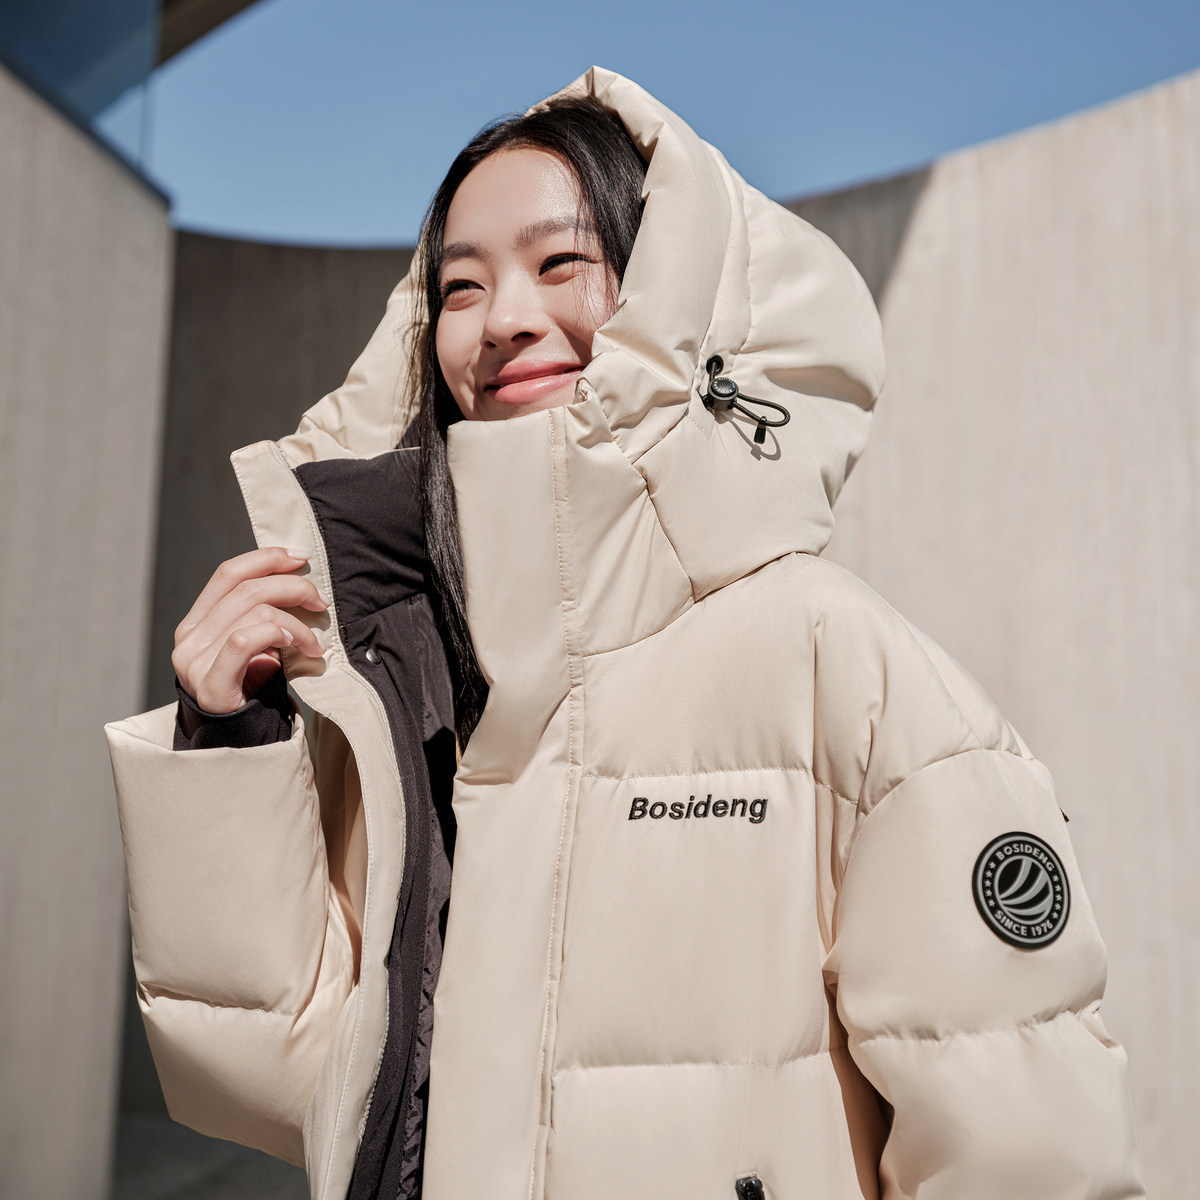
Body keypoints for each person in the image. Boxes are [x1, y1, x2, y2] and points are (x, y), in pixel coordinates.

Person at [106, 67, 1146, 1200]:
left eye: (562, 263)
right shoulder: (405, 678)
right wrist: (232, 743)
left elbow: (1028, 1155)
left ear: (672, 295)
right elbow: (281, 1085)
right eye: (460, 286)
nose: (504, 319)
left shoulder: (838, 663)